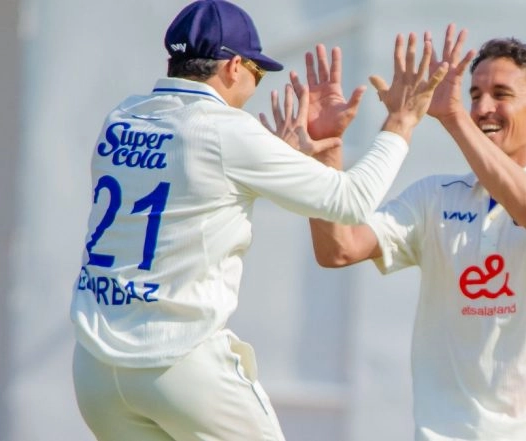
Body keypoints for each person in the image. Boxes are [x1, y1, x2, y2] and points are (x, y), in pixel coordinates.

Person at [68, 0, 450, 439]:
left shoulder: (121, 118)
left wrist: (280, 156)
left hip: (95, 370)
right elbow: (352, 201)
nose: (254, 86)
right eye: (258, 73)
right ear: (233, 66)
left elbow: (195, 195)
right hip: (179, 364)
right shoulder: (226, 130)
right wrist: (401, 121)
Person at [304, 25, 526, 441]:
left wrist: (452, 119)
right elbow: (338, 249)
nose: (483, 107)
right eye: (474, 95)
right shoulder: (436, 195)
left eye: (501, 95)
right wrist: (323, 162)